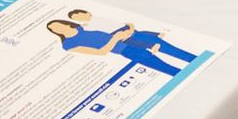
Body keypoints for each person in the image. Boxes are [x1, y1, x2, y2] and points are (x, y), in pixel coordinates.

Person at [48, 15, 198, 77]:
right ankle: (190, 78)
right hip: (124, 48)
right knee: (165, 67)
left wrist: (126, 32)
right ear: (55, 32)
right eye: (54, 29)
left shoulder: (80, 28)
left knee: (171, 50)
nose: (58, 28)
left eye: (59, 25)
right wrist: (116, 38)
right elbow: (101, 52)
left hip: (129, 39)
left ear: (65, 23)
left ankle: (199, 62)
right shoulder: (68, 44)